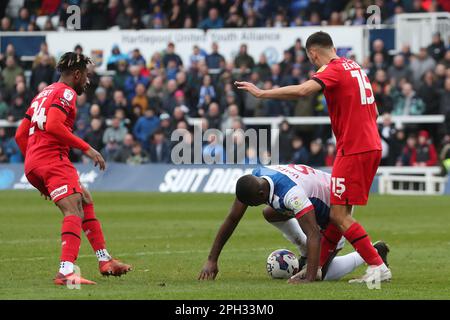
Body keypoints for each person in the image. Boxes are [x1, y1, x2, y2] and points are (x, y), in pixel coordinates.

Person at [235, 31, 391, 284]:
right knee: (336, 216)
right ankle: (318, 268)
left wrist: (262, 93)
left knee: (339, 216)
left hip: (353, 147)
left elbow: (302, 91)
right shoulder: (354, 66)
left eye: (311, 60)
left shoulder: (333, 69)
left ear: (313, 53)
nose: (313, 64)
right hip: (367, 144)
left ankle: (377, 265)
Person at [14, 52, 132, 286]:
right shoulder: (66, 92)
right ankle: (66, 271)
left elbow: (19, 135)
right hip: (52, 160)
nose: (87, 81)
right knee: (74, 210)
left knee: (84, 199)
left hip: (35, 162)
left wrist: (36, 168)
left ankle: (104, 259)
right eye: (86, 76)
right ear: (76, 74)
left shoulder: (43, 93)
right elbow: (55, 125)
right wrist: (87, 149)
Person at [199, 164, 390, 282]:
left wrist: (308, 277)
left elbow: (313, 233)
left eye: (252, 204)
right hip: (314, 192)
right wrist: (212, 259)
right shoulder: (258, 175)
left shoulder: (292, 195)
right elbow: (233, 218)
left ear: (261, 195)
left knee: (322, 275)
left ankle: (370, 252)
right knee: (270, 213)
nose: (251, 207)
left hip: (334, 209)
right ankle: (306, 253)